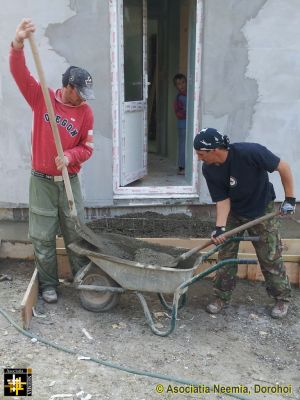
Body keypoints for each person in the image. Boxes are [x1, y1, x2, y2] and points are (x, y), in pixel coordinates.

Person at [10, 19, 95, 303]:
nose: (84, 99)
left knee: (77, 234)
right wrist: (18, 44)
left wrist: (70, 155)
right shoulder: (42, 99)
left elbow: (88, 147)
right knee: (43, 237)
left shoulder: (85, 113)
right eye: (81, 93)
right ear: (69, 87)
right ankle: (48, 285)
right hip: (42, 183)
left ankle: (84, 282)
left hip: (69, 181)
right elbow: (20, 74)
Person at [194, 127, 296, 319]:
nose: (199, 158)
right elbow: (222, 200)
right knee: (225, 255)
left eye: (200, 154)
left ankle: (282, 298)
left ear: (214, 150)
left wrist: (290, 199)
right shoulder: (209, 169)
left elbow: (284, 167)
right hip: (235, 212)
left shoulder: (250, 152)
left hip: (261, 210)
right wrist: (220, 228)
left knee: (270, 255)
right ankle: (221, 297)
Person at [173, 73, 187, 175]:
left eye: (183, 82)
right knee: (183, 145)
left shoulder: (191, 95)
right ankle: (182, 167)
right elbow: (178, 114)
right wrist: (187, 112)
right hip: (183, 125)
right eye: (178, 84)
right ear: (176, 86)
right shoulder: (178, 98)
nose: (181, 85)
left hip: (190, 125)